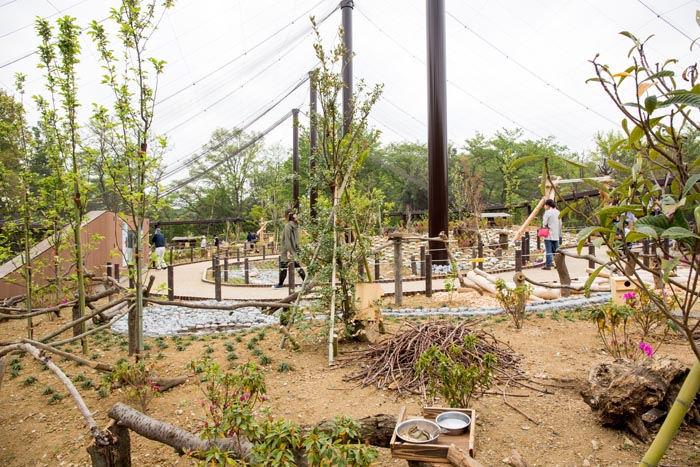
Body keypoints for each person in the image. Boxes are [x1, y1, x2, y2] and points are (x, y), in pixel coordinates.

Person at [273, 210, 306, 288]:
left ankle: (280, 284)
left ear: (287, 215)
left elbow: (287, 239)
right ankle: (305, 282)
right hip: (294, 249)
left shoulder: (288, 225)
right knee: (297, 266)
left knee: (283, 266)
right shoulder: (295, 225)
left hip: (287, 249)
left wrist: (288, 251)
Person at [541, 199, 562, 270]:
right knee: (557, 250)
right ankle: (559, 264)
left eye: (545, 205)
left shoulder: (547, 212)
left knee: (548, 250)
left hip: (548, 234)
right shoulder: (558, 212)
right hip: (556, 234)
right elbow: (560, 224)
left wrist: (544, 227)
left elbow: (544, 223)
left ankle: (548, 265)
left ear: (547, 205)